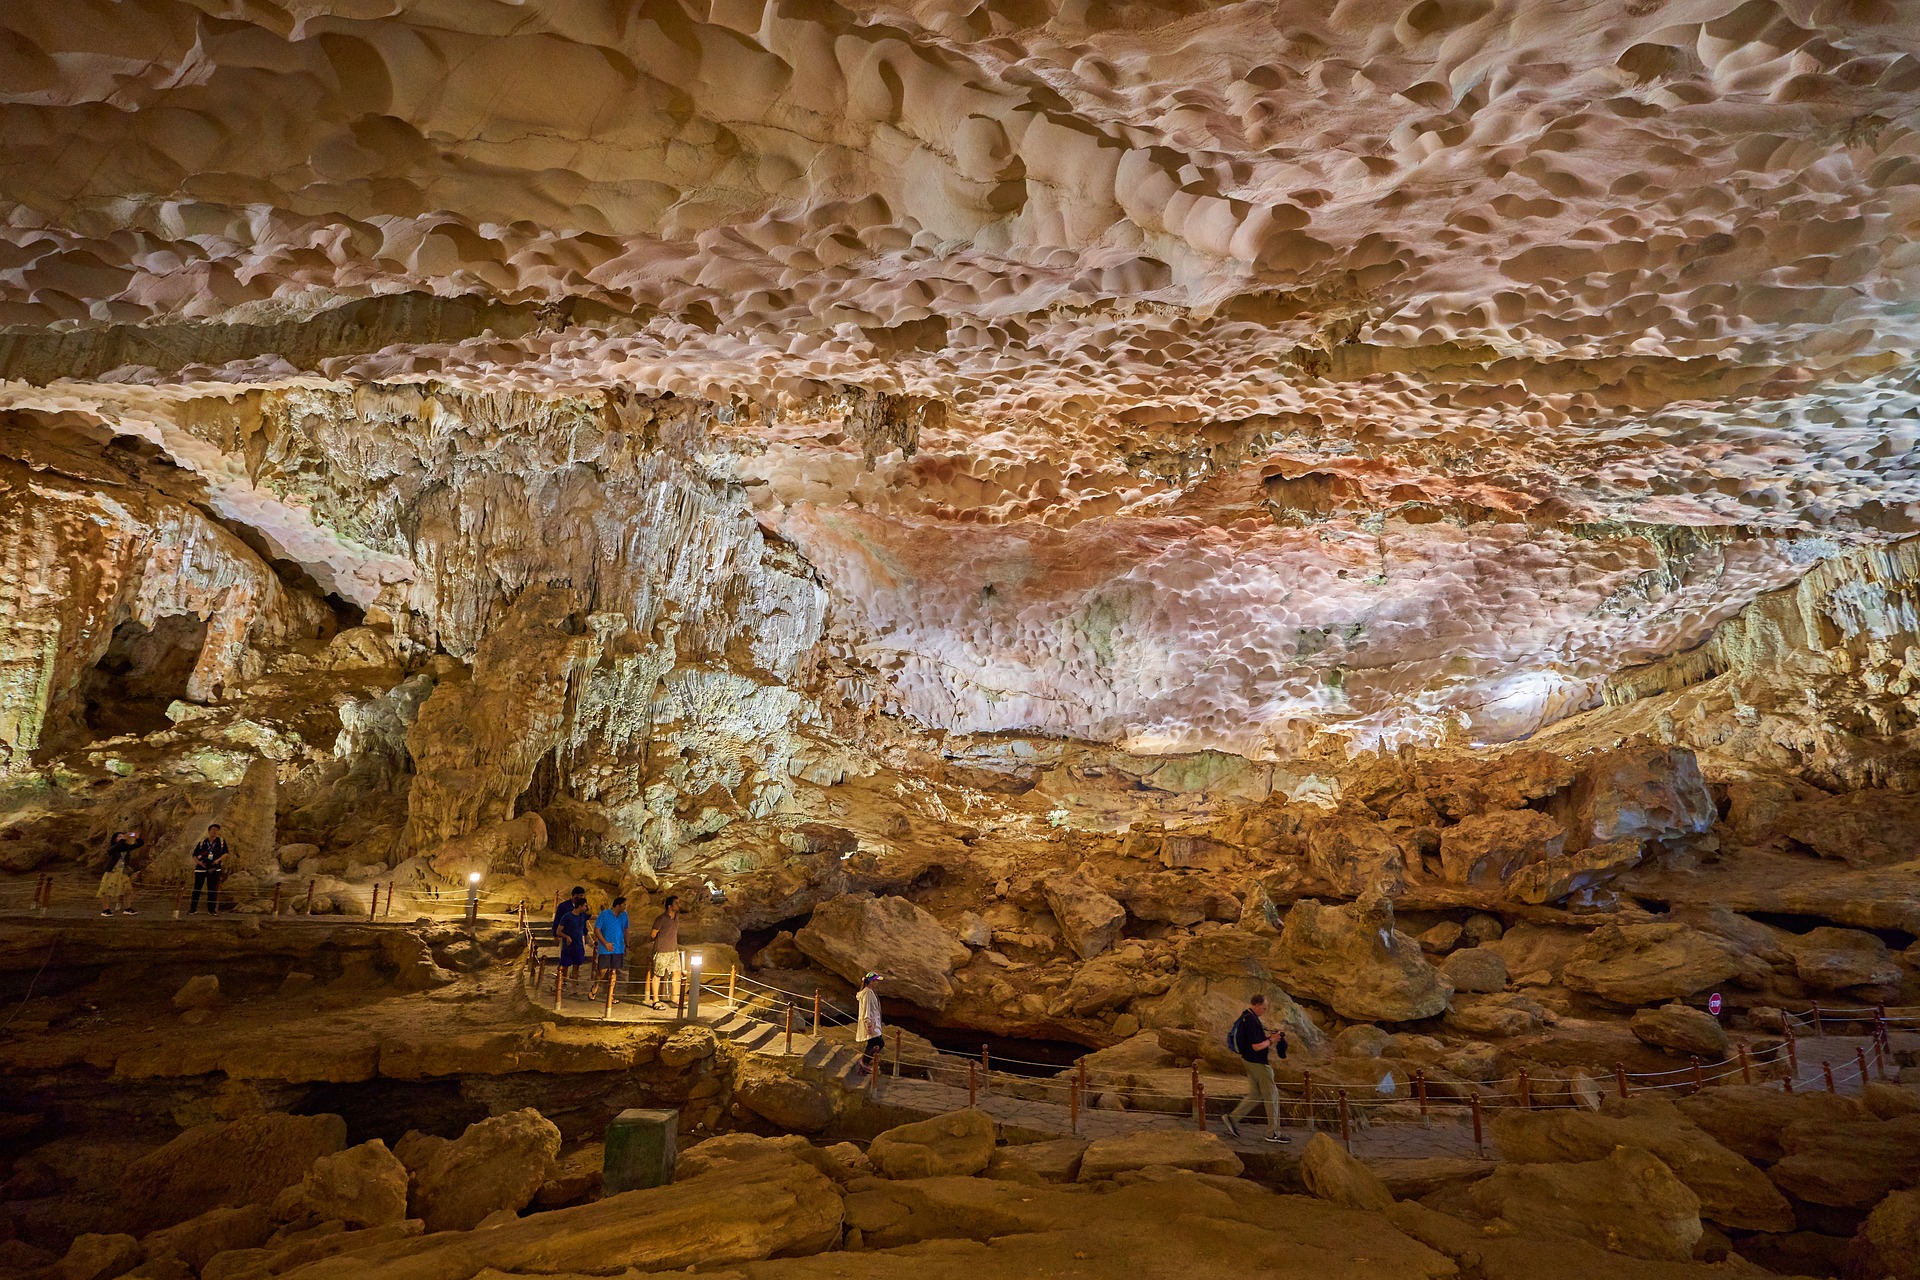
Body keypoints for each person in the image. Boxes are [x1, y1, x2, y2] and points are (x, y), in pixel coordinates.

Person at [1221, 992, 1289, 1143]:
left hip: (1248, 1061)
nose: (1265, 1011)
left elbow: (1255, 1040)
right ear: (1257, 1006)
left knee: (1256, 1095)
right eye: (1264, 1008)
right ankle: (1273, 1133)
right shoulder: (1251, 1020)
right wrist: (1272, 1040)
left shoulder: (1246, 1016)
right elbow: (1257, 1046)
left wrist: (1268, 1037)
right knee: (1272, 1097)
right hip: (1258, 1064)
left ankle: (1232, 1119)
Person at [590, 895, 629, 1002]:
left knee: (613, 972)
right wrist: (605, 943)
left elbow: (626, 930)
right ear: (618, 905)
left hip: (618, 947)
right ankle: (596, 986)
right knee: (602, 971)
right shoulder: (604, 914)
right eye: (624, 905)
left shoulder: (624, 915)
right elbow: (597, 930)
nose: (625, 907)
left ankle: (610, 995)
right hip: (605, 948)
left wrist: (627, 944)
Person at [647, 895, 682, 1009]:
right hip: (662, 951)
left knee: (676, 973)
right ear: (669, 906)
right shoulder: (661, 919)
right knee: (657, 975)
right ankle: (655, 1000)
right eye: (676, 903)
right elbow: (653, 934)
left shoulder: (676, 917)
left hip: (673, 950)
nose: (678, 905)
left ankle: (675, 998)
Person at [98, 830, 141, 916]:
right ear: (115, 839)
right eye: (120, 837)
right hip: (112, 871)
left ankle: (128, 908)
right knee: (107, 890)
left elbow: (138, 845)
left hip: (122, 871)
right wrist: (123, 839)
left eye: (123, 836)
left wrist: (137, 838)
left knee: (127, 890)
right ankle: (106, 910)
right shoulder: (113, 848)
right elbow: (117, 847)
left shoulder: (126, 847)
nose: (122, 838)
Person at [854, 971, 885, 1087]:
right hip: (870, 1023)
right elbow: (866, 1010)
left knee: (872, 1044)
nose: (877, 983)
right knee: (878, 1043)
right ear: (871, 982)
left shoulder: (870, 992)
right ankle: (863, 1063)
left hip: (873, 1022)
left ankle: (864, 1065)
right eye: (875, 981)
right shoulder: (867, 993)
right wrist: (869, 1025)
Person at [554, 896, 590, 995]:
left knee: (576, 967)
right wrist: (567, 937)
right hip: (568, 947)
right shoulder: (567, 917)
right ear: (580, 906)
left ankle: (574, 988)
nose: (586, 908)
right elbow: (558, 931)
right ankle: (557, 985)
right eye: (585, 906)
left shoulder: (583, 916)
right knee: (564, 966)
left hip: (578, 946)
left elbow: (594, 916)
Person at [189, 824, 228, 914]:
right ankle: (193, 909)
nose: (215, 831)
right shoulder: (203, 842)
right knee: (197, 889)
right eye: (213, 829)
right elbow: (194, 855)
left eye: (217, 830)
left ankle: (211, 910)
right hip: (201, 868)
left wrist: (218, 860)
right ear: (209, 830)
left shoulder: (221, 842)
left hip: (214, 868)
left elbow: (226, 853)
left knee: (212, 889)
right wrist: (199, 863)